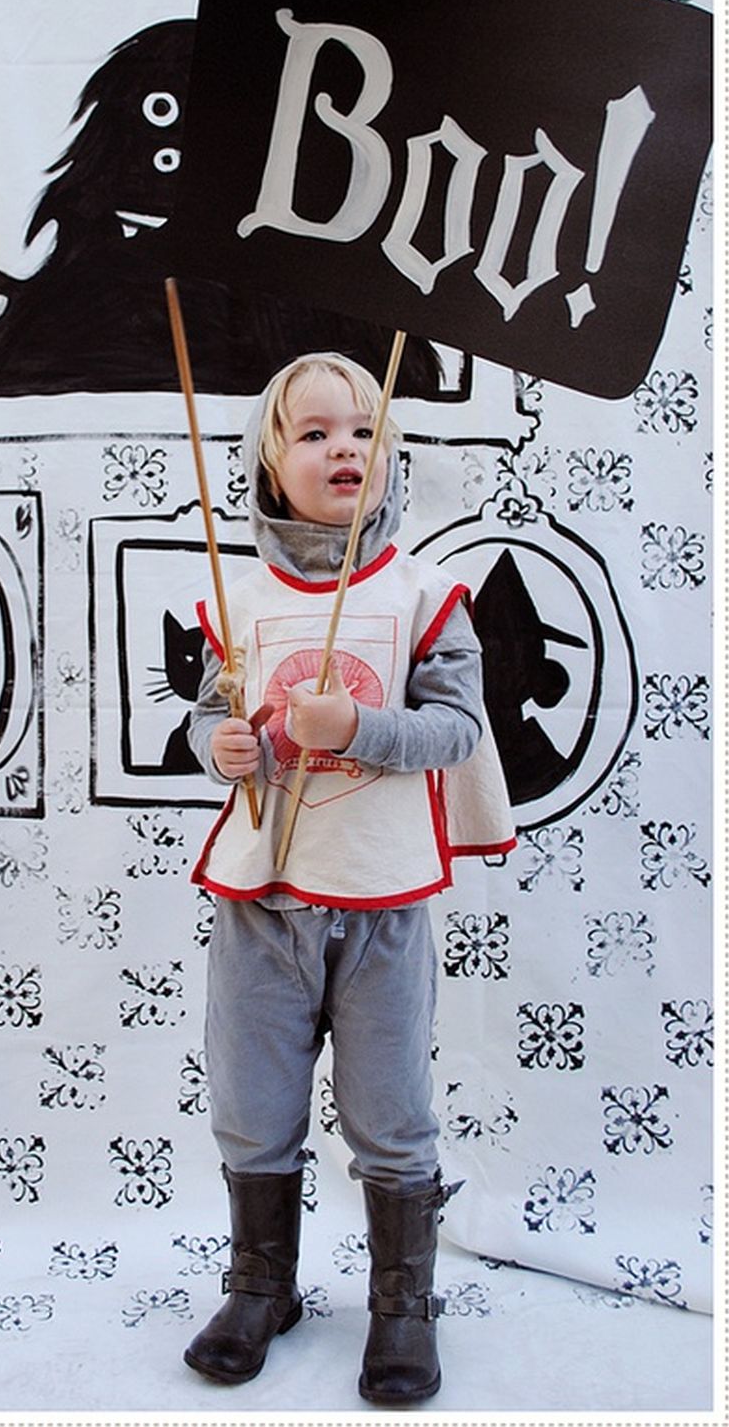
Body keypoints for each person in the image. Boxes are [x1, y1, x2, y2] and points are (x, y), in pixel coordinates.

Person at [182, 352, 515, 1405]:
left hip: (380, 904)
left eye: (365, 432)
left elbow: (456, 730)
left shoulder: (423, 597)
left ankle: (401, 1303)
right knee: (252, 1100)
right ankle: (261, 1285)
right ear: (268, 463)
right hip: (262, 903)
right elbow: (211, 715)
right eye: (316, 432)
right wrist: (220, 746)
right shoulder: (238, 599)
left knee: (389, 1112)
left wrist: (357, 726)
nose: (345, 449)